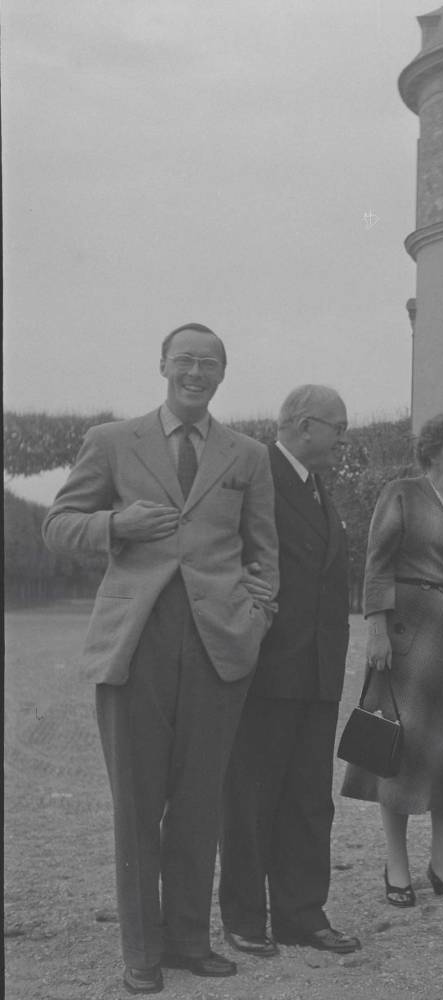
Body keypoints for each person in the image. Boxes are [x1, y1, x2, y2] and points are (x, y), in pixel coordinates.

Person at [42, 323, 279, 995]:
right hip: (135, 644)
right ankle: (141, 951)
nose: (195, 373)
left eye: (208, 363)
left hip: (217, 646)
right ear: (163, 366)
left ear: (223, 373)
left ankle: (189, 941)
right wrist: (116, 525)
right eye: (185, 361)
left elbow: (264, 554)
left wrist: (255, 619)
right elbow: (58, 525)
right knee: (137, 804)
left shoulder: (247, 455)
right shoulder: (112, 441)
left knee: (201, 801)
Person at [219, 385, 360, 958]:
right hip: (267, 667)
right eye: (338, 427)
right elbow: (227, 558)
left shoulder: (317, 485)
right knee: (252, 797)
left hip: (317, 670)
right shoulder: (258, 473)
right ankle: (244, 917)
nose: (344, 438)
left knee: (309, 798)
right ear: (304, 426)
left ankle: (302, 915)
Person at [340, 412, 443, 907]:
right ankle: (397, 864)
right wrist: (376, 629)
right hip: (409, 637)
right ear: (434, 450)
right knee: (401, 751)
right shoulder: (402, 494)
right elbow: (377, 564)